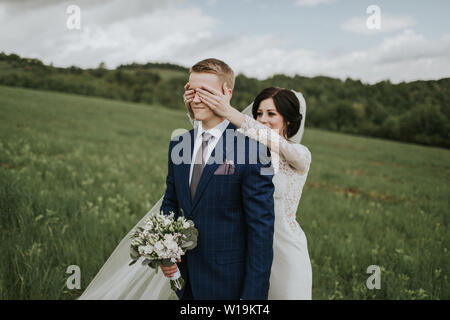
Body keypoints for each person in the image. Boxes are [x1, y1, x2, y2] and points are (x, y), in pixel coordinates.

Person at [78, 58, 276, 300]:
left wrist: (253, 297)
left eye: (205, 91)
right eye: (191, 90)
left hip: (228, 282)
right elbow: (171, 203)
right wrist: (165, 252)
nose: (195, 98)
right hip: (183, 277)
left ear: (227, 93)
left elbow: (261, 232)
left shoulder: (253, 150)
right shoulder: (180, 143)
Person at [183, 84, 312, 299]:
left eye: (271, 114)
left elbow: (276, 142)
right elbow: (209, 136)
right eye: (259, 113)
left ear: (288, 120)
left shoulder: (299, 154)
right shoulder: (243, 153)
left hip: (286, 251)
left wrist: (229, 112)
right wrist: (194, 107)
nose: (263, 119)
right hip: (247, 248)